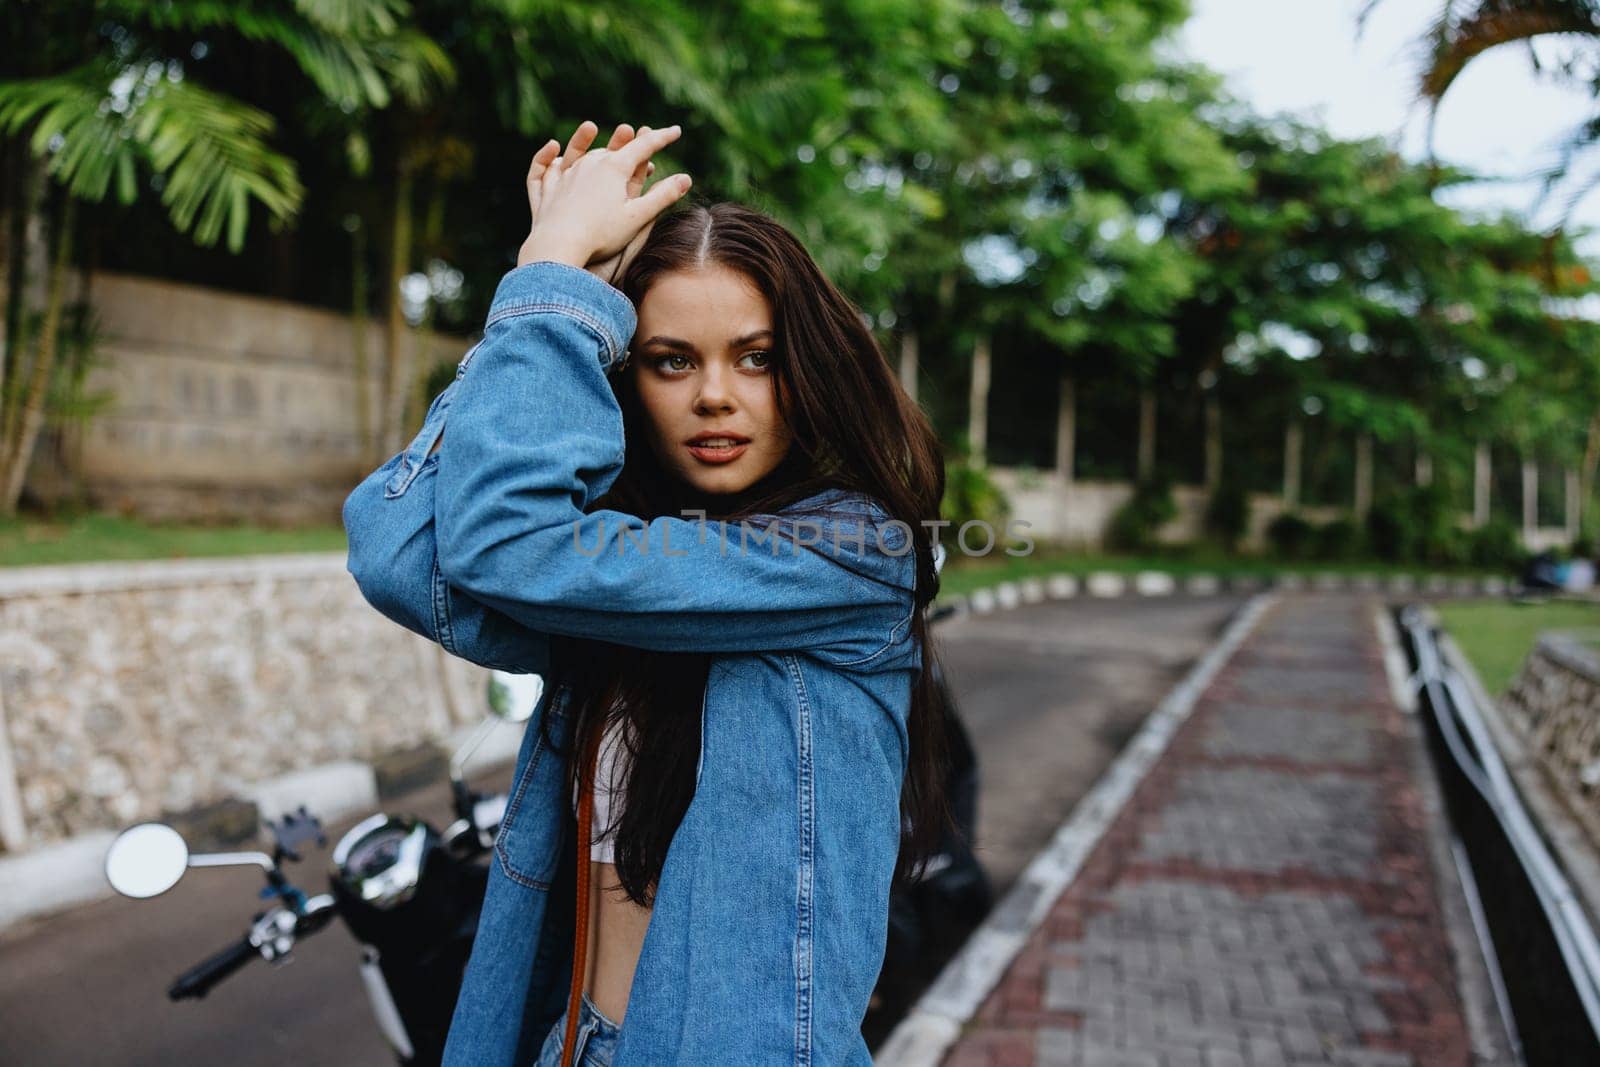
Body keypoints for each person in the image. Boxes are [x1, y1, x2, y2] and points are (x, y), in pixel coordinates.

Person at [341, 119, 951, 1066]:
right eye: (673, 360)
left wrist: (550, 275)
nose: (716, 395)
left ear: (811, 370)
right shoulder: (616, 583)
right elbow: (397, 548)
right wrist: (548, 300)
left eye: (756, 356)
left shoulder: (852, 554)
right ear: (630, 379)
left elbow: (507, 543)